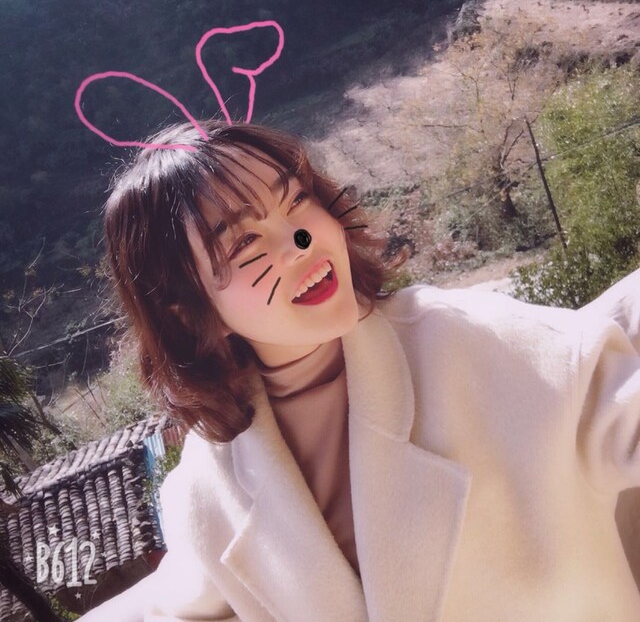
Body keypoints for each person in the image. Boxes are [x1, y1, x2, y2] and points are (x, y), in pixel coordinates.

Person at [79, 120, 640, 622]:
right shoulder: (208, 488)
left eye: (297, 200)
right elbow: (180, 606)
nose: (300, 241)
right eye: (245, 240)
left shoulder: (465, 340)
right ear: (186, 310)